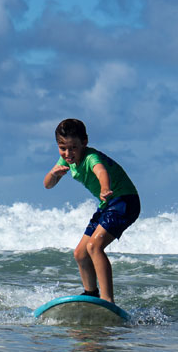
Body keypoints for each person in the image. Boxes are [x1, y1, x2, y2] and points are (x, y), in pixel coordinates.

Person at [43, 118, 140, 303]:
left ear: (84, 142)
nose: (68, 153)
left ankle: (107, 300)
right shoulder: (65, 159)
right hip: (107, 205)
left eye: (73, 148)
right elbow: (48, 185)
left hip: (125, 201)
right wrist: (53, 174)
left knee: (95, 246)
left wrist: (105, 187)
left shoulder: (90, 157)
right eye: (62, 148)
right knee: (80, 253)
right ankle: (91, 294)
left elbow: (101, 171)